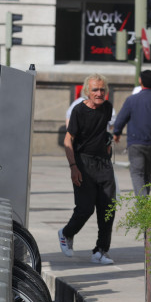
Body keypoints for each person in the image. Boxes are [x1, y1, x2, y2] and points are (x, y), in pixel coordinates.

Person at [59, 74, 116, 265]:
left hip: (104, 163)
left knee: (108, 207)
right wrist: (73, 167)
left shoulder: (107, 108)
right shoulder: (78, 111)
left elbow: (106, 131)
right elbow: (68, 139)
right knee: (85, 208)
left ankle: (101, 250)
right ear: (86, 92)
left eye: (102, 90)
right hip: (83, 163)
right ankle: (66, 233)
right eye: (95, 90)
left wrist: (108, 142)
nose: (99, 93)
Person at [113, 70, 151, 196]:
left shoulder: (132, 100)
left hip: (136, 142)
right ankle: (145, 202)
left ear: (140, 81)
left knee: (137, 173)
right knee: (147, 173)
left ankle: (143, 202)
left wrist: (116, 133)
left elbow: (121, 118)